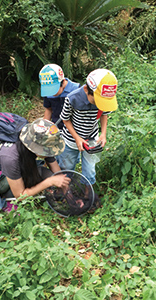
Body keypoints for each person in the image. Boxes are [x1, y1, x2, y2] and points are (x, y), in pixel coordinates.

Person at [0, 118, 70, 211]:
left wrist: (66, 189)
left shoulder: (34, 137)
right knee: (18, 190)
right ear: (36, 148)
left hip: (7, 165)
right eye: (48, 150)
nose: (50, 153)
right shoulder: (11, 158)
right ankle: (5, 195)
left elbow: (56, 170)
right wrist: (49, 182)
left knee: (43, 174)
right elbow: (20, 195)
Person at [57, 68, 118, 208]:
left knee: (90, 169)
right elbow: (65, 119)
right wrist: (77, 138)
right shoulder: (72, 98)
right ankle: (65, 191)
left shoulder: (104, 100)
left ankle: (87, 194)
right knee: (67, 166)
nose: (99, 105)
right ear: (87, 90)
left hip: (91, 138)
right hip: (71, 139)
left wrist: (103, 133)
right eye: (97, 100)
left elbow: (104, 115)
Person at [39, 64, 80, 129]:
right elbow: (48, 109)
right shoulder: (48, 94)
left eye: (53, 89)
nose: (51, 93)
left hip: (74, 129)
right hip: (57, 128)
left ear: (63, 82)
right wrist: (45, 126)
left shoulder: (76, 90)